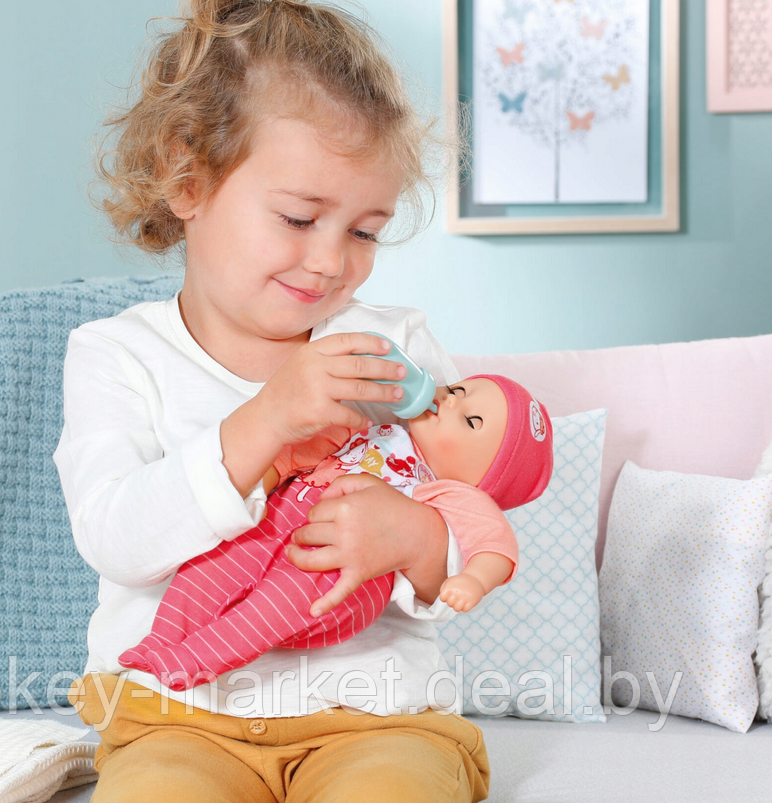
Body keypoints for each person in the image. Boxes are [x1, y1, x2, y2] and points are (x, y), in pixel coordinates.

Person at [54, 1, 504, 801]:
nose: (332, 262)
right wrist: (264, 420)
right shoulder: (117, 355)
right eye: (299, 217)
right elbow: (116, 538)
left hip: (380, 719)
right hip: (175, 718)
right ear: (186, 178)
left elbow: (476, 525)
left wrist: (417, 536)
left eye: (365, 231)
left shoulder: (395, 349)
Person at [117, 375, 553, 691]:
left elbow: (496, 545)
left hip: (346, 570)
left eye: (471, 421)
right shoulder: (371, 428)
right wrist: (263, 486)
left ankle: (192, 662)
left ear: (482, 477)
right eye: (458, 391)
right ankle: (159, 642)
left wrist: (473, 579)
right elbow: (295, 453)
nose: (450, 402)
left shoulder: (451, 494)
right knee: (214, 565)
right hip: (286, 514)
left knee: (278, 604)